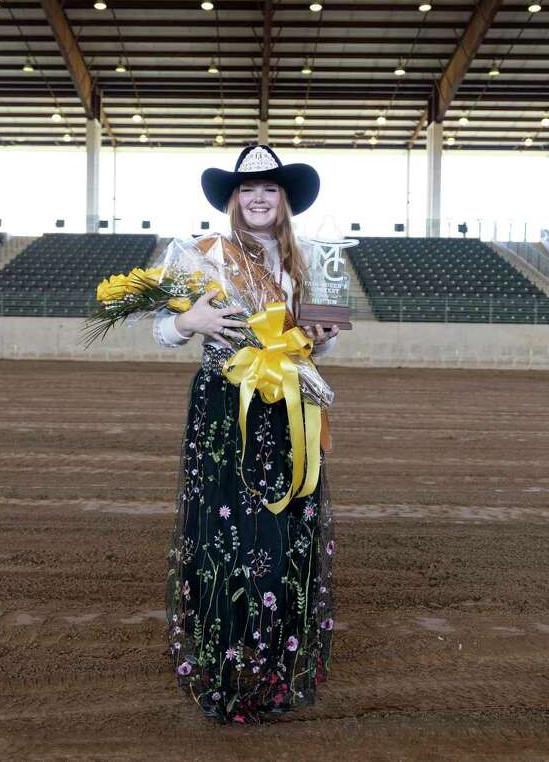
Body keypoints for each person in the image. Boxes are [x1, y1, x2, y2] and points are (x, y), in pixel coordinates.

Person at [155, 145, 340, 724]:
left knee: (283, 536)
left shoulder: (308, 260)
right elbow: (163, 330)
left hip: (285, 408)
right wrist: (192, 321)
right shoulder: (202, 255)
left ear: (284, 200)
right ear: (234, 200)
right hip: (223, 406)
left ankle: (275, 671)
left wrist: (322, 335)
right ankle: (224, 673)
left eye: (269, 189)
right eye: (247, 189)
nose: (258, 198)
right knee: (223, 538)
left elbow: (318, 341)